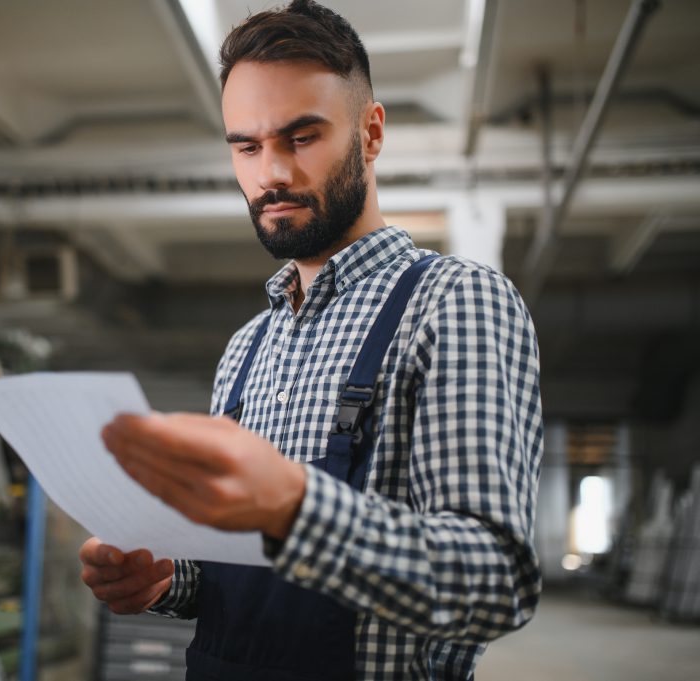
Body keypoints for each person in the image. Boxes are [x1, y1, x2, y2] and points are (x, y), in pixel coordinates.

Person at [79, 1, 543, 679]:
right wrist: (162, 577)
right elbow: (230, 570)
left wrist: (297, 508)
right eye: (247, 145)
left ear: (371, 132)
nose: (271, 174)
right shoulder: (247, 348)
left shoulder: (452, 303)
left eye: (301, 138)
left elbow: (494, 581)